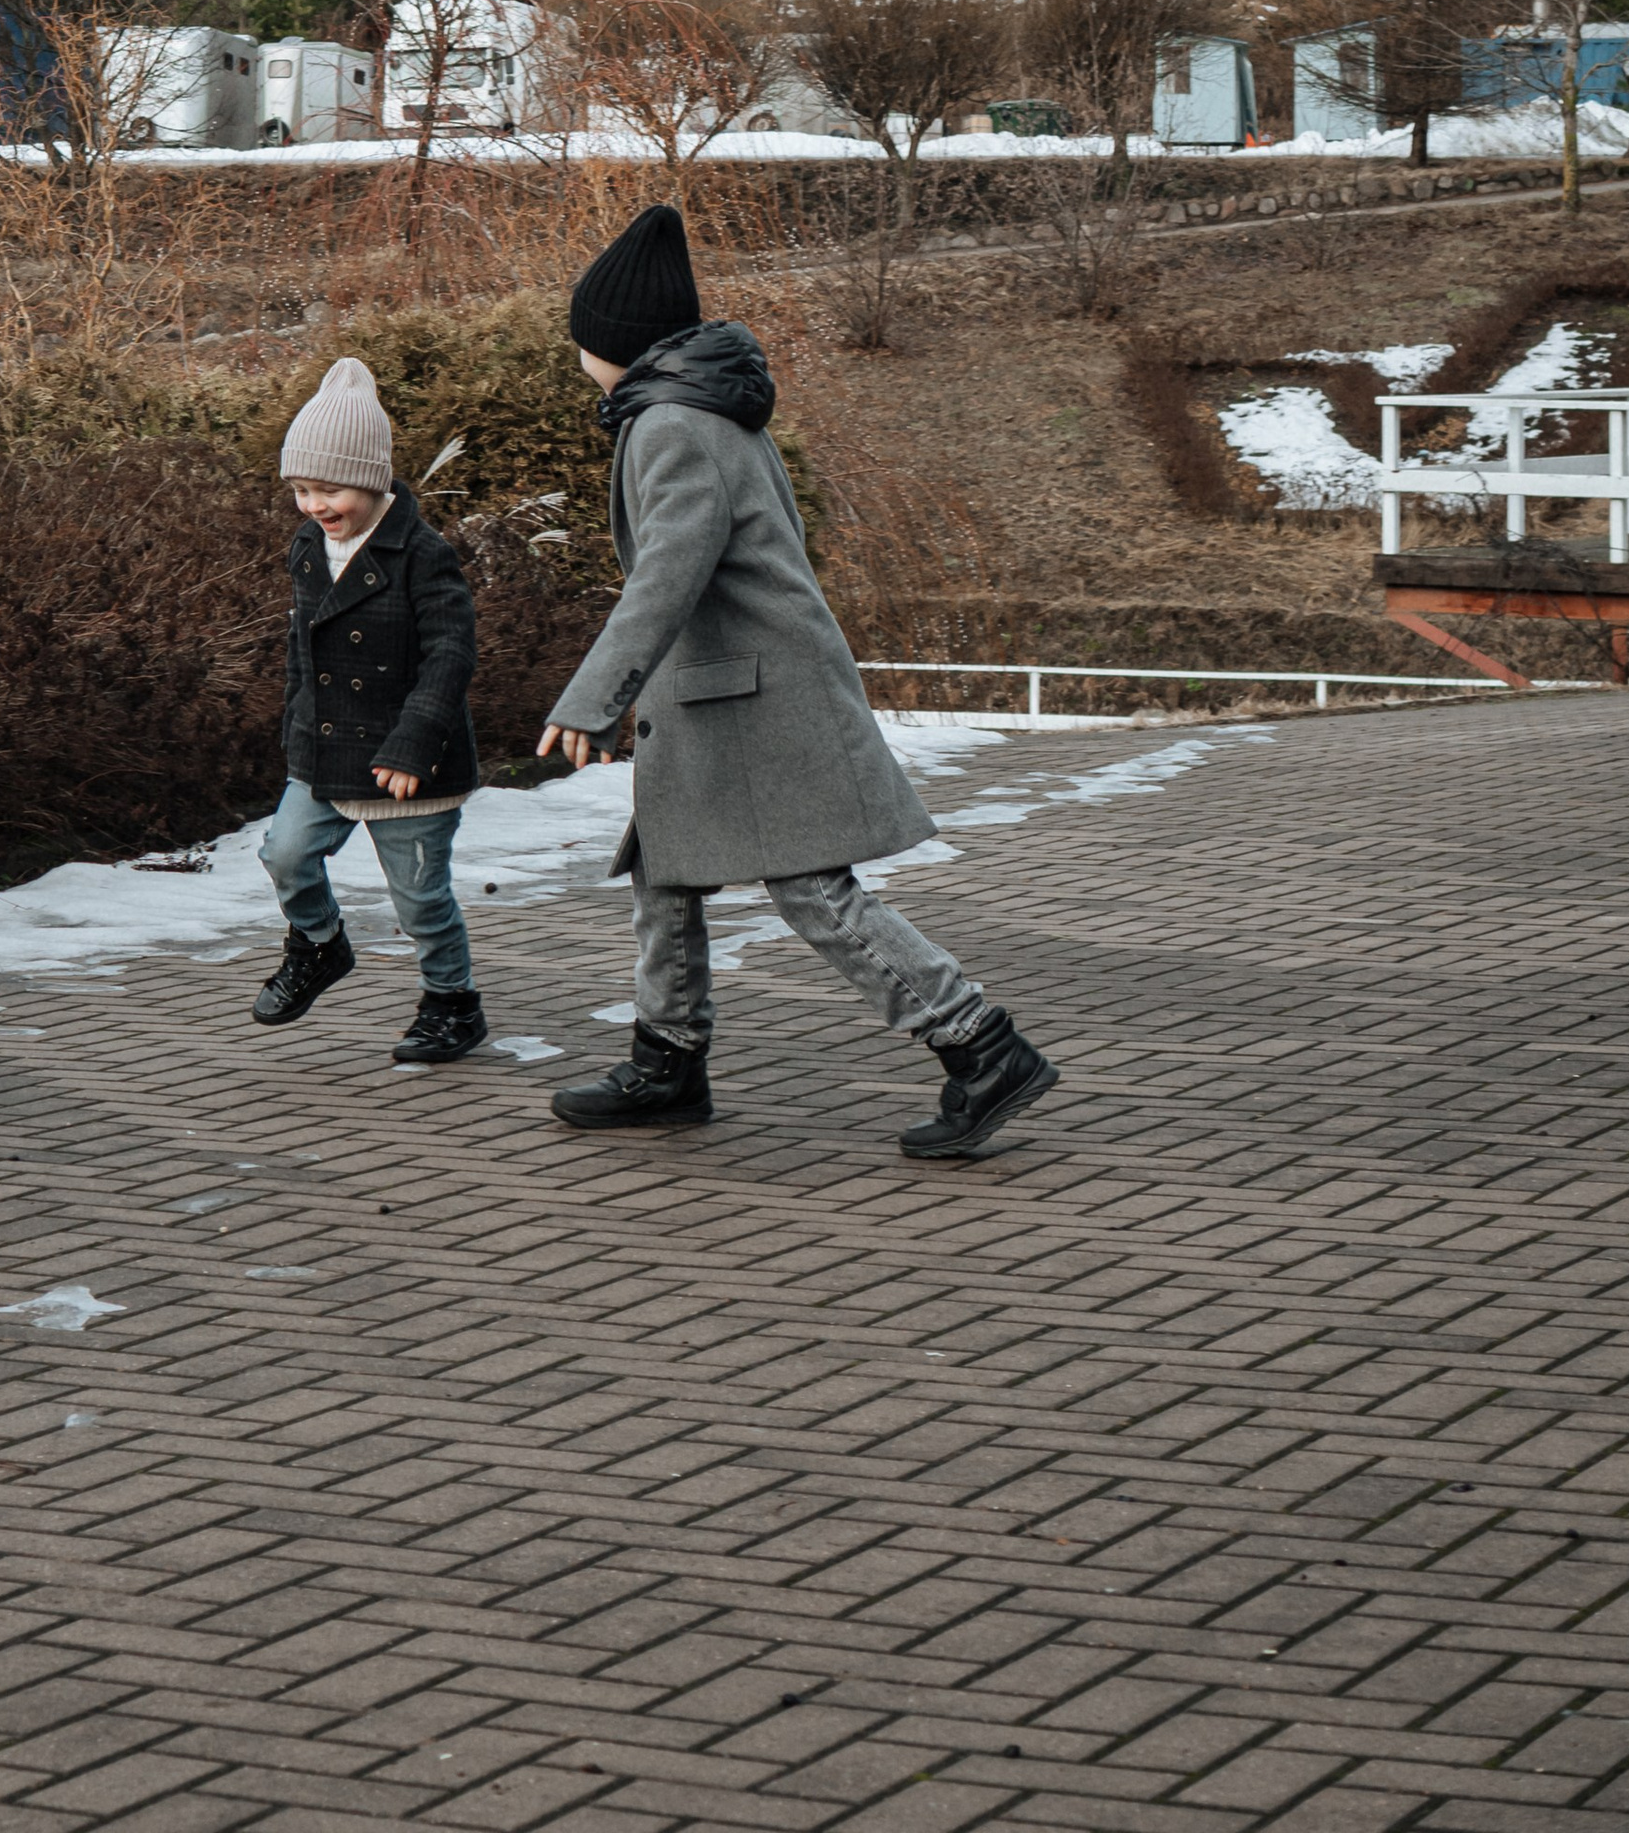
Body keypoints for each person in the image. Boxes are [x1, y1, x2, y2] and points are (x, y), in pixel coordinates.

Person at [536, 204, 1056, 1162]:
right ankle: (667, 1061)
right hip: (718, 696)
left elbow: (668, 573)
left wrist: (591, 694)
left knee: (814, 890)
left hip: (754, 701)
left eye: (583, 341)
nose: (577, 357)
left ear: (616, 345)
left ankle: (981, 1045)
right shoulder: (699, 411)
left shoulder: (671, 425)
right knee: (667, 873)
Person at [251, 355, 490, 1068]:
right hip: (325, 749)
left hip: (411, 762)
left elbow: (451, 656)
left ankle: (452, 1004)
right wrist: (297, 730)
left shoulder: (422, 555)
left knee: (420, 899)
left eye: (329, 489)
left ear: (374, 479)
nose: (315, 505)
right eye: (300, 489)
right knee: (285, 853)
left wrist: (414, 743)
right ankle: (319, 944)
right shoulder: (306, 547)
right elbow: (304, 650)